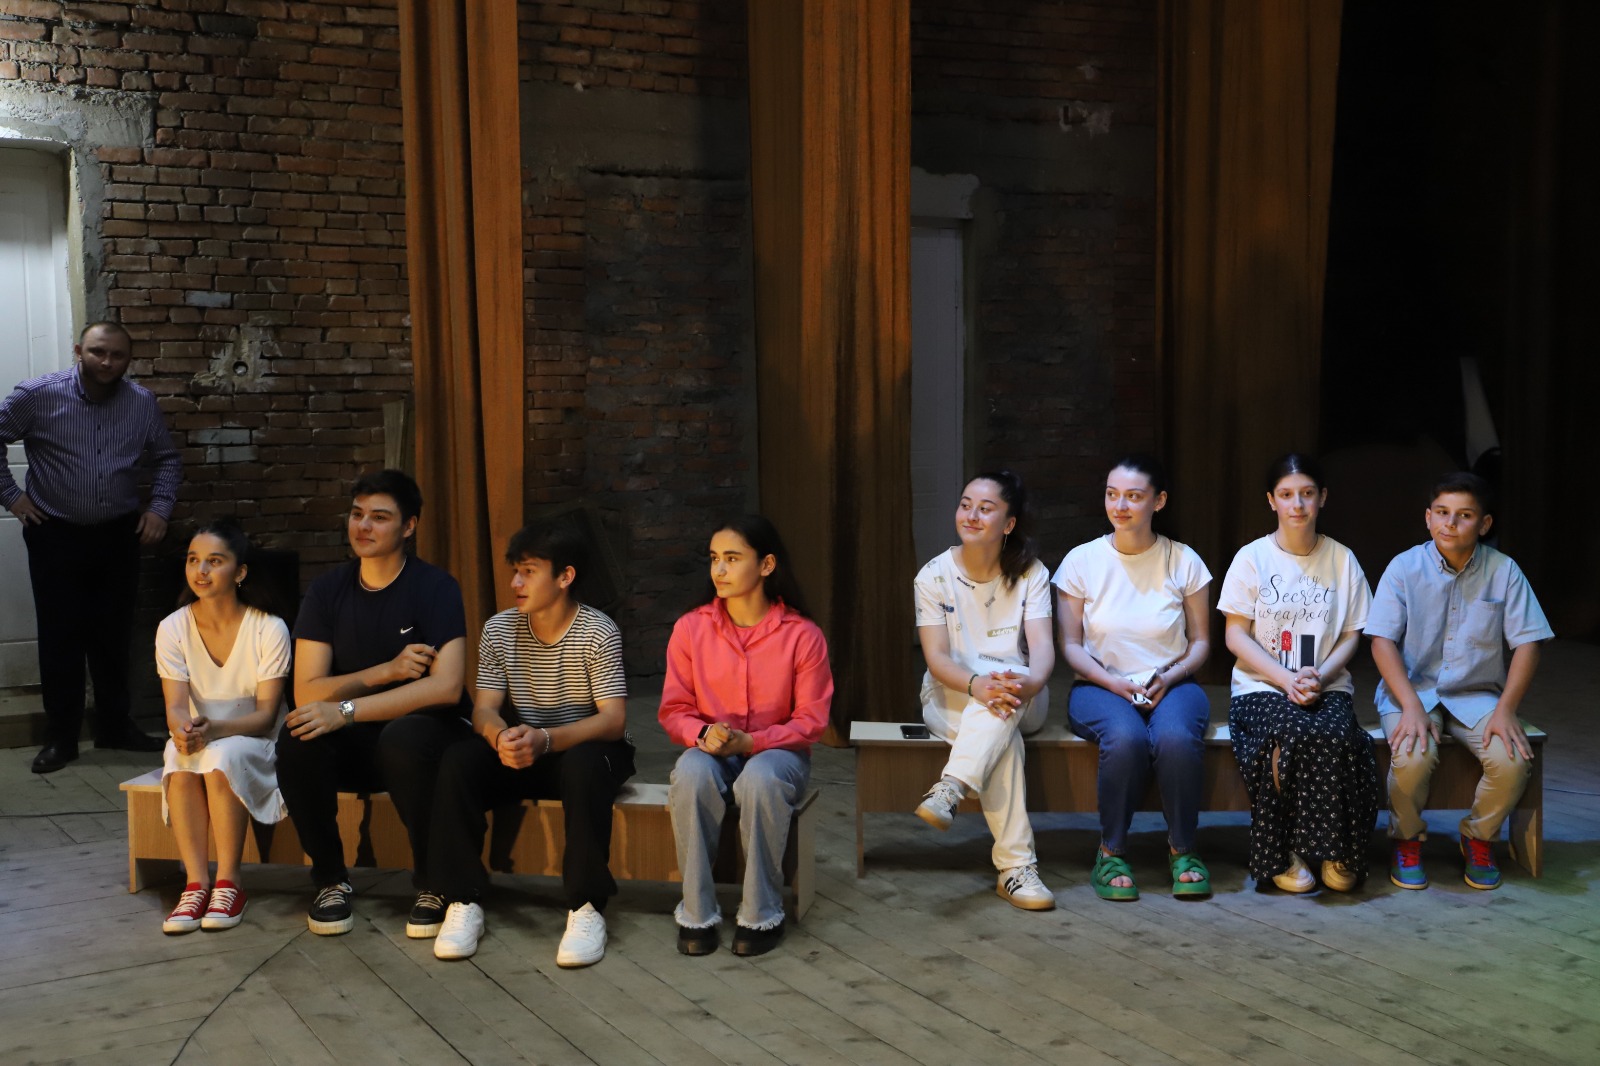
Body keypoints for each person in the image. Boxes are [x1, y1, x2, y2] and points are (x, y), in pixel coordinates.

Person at [421, 520, 634, 967]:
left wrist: (547, 739)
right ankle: (463, 898)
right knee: (459, 759)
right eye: (515, 571)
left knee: (584, 767)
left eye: (529, 572)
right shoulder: (500, 629)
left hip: (586, 746)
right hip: (527, 744)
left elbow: (613, 720)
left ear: (565, 576)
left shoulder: (598, 631)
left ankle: (586, 907)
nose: (516, 583)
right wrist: (501, 737)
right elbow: (484, 709)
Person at [276, 469, 470, 936]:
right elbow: (308, 691)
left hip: (426, 737)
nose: (363, 526)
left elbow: (445, 687)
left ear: (409, 526)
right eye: (357, 514)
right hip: (359, 742)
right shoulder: (328, 590)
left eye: (379, 517)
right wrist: (386, 671)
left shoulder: (436, 587)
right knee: (298, 732)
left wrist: (346, 710)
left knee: (403, 737)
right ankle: (329, 880)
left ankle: (433, 880)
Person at [0, 321, 180, 774]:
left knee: (112, 635)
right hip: (55, 532)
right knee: (60, 637)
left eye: (117, 355)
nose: (107, 362)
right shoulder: (38, 396)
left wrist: (159, 510)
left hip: (118, 535)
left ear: (128, 360)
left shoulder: (141, 402)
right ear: (79, 350)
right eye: (98, 352)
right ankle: (61, 738)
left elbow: (166, 459)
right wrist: (12, 497)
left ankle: (114, 727)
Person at [1365, 472, 1552, 891]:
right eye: (1442, 513)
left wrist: (1506, 710)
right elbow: (1381, 641)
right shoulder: (1404, 567)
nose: (1450, 523)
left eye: (1464, 515)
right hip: (1411, 691)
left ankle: (1478, 836)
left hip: (1477, 694)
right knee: (1412, 755)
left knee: (1512, 759)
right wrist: (1411, 706)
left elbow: (1529, 644)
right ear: (1428, 518)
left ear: (1484, 524)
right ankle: (1406, 839)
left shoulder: (1504, 571)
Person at [660, 516, 832, 958]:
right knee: (690, 773)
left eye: (732, 559)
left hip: (779, 754)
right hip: (713, 750)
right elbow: (674, 710)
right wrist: (704, 733)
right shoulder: (691, 628)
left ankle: (761, 912)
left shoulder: (803, 635)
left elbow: (812, 720)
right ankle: (697, 912)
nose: (719, 570)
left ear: (767, 565)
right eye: (714, 558)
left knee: (760, 779)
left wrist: (752, 743)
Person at [1053, 455, 1214, 901]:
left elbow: (1201, 642)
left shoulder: (1183, 560)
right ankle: (1111, 852)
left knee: (1176, 738)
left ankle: (1183, 849)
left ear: (1158, 501)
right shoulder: (1082, 560)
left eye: (1133, 496)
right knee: (1125, 739)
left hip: (1173, 682)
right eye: (1112, 494)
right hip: (1098, 685)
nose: (1120, 505)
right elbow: (1071, 646)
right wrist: (1112, 683)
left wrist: (1171, 675)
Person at [1218, 454, 1379, 893]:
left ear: (1322, 497)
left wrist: (1320, 677)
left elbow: (1352, 635)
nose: (1298, 504)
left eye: (1307, 494)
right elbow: (1235, 635)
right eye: (1287, 495)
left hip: (1326, 683)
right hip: (1261, 685)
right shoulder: (1252, 558)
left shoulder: (1342, 559)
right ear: (1272, 501)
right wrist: (1285, 679)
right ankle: (1283, 850)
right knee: (1292, 734)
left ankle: (1335, 850)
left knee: (1340, 737)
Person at [913, 471, 1056, 911]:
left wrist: (1030, 683)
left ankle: (951, 786)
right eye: (965, 504)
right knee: (1002, 737)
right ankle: (1016, 869)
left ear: (1009, 523)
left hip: (1021, 692)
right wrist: (978, 685)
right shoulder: (933, 576)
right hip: (953, 694)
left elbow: (1043, 651)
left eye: (986, 508)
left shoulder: (1030, 573)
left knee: (1004, 695)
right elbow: (937, 658)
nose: (971, 515)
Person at [156, 522, 290, 934]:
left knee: (220, 756)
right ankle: (196, 884)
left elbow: (266, 715)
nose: (201, 571)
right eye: (193, 560)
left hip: (256, 739)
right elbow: (175, 706)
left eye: (214, 561)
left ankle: (230, 883)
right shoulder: (172, 627)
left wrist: (213, 730)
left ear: (240, 571)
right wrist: (184, 731)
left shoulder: (268, 627)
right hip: (202, 736)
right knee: (181, 755)